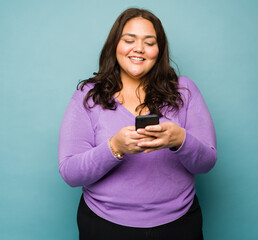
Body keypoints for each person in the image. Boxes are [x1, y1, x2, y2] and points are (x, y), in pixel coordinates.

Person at [58, 7, 216, 240]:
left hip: (179, 224)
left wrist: (180, 140)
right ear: (115, 46)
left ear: (159, 50)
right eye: (129, 40)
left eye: (149, 42)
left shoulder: (185, 90)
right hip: (104, 226)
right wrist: (115, 148)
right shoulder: (88, 96)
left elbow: (207, 163)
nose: (139, 48)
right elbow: (70, 173)